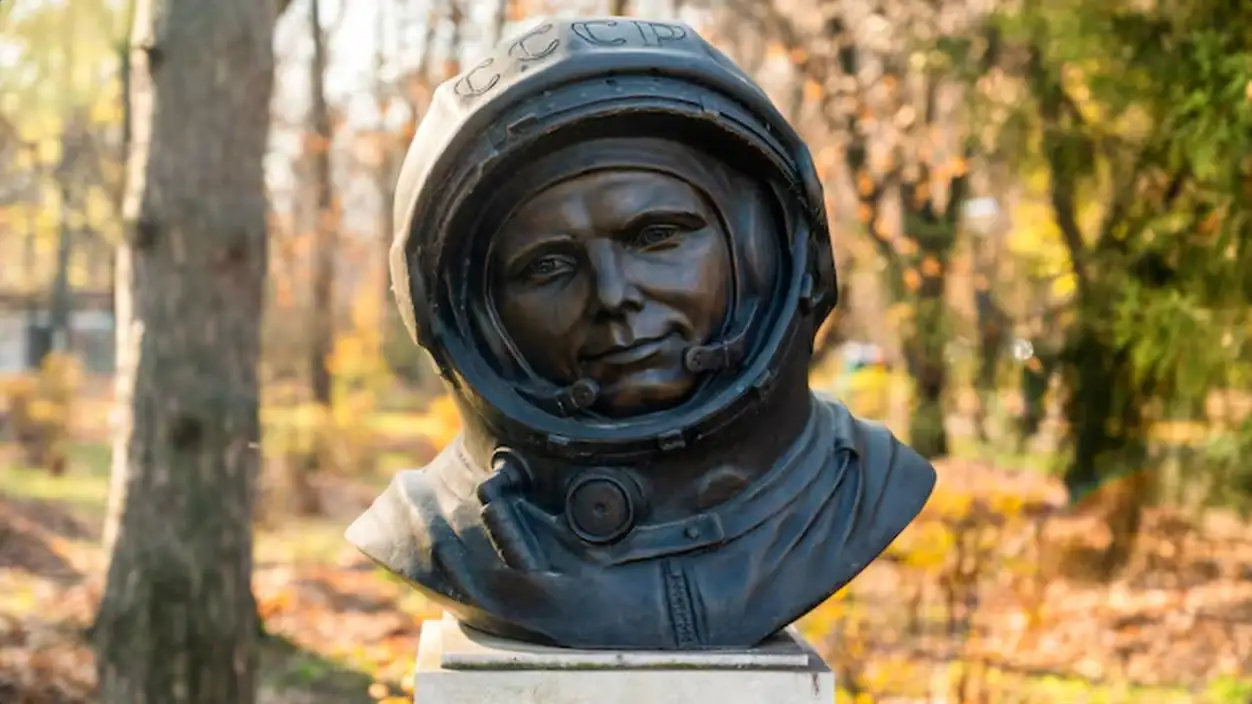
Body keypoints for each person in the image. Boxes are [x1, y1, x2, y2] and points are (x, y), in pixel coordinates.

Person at [346, 16, 937, 650]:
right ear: (468, 317)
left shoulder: (859, 489)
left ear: (764, 252)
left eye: (657, 236)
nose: (612, 295)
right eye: (548, 266)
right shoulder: (435, 534)